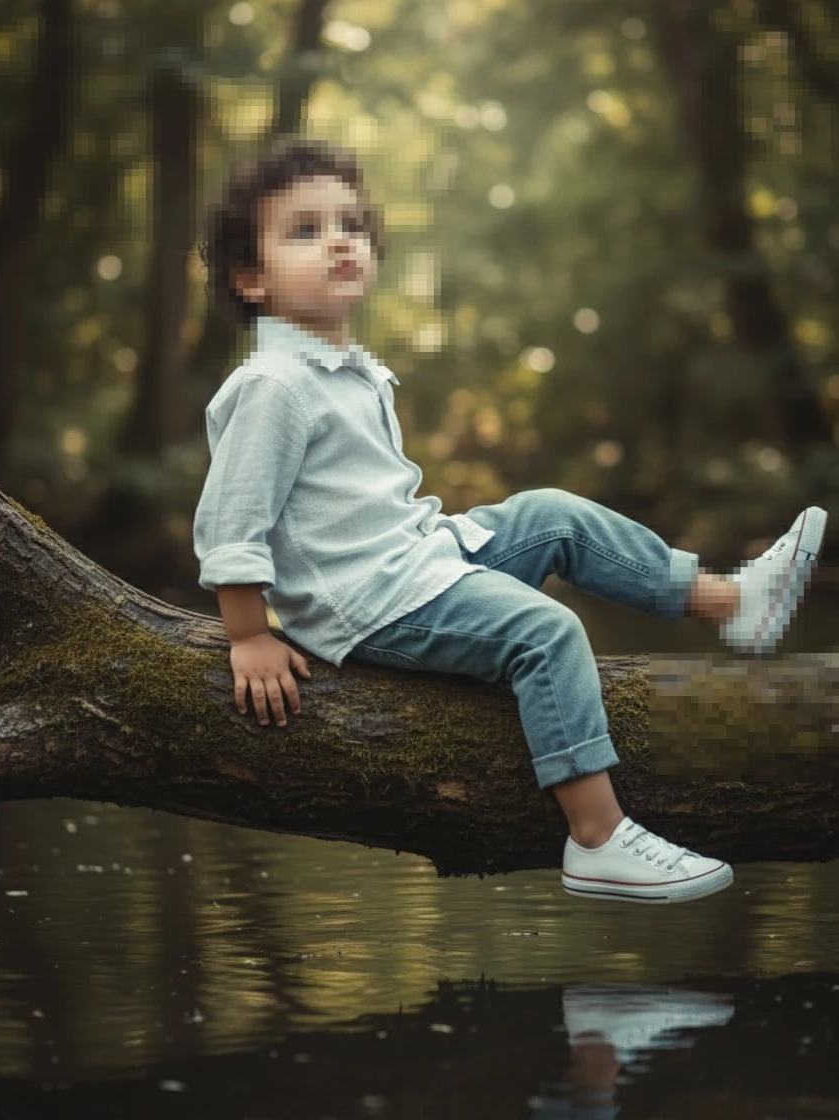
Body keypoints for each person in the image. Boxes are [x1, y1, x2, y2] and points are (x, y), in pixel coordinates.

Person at [193, 133, 827, 905]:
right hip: (371, 601)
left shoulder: (344, 371)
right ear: (251, 279)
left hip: (417, 559)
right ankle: (595, 836)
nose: (338, 242)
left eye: (350, 226)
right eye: (304, 231)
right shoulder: (274, 386)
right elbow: (233, 520)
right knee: (547, 630)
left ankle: (731, 606)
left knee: (553, 515)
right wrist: (249, 635)